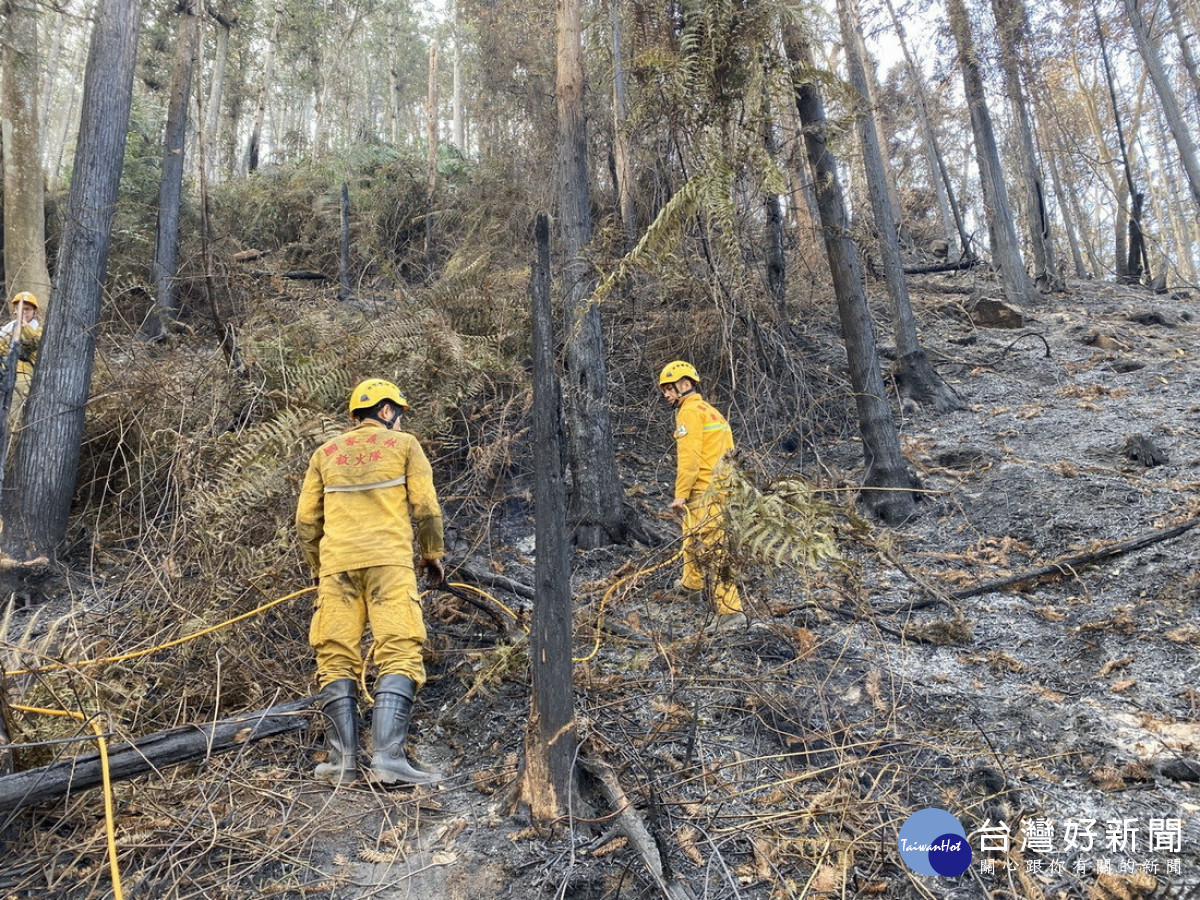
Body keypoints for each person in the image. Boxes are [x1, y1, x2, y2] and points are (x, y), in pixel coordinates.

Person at [296, 378, 447, 786]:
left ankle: (342, 763)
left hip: (337, 569)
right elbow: (427, 508)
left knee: (335, 655)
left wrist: (318, 569)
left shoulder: (324, 453)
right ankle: (388, 761)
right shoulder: (405, 446)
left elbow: (306, 521)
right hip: (389, 564)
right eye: (398, 413)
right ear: (386, 411)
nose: (400, 422)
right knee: (398, 649)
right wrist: (432, 553)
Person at [658, 360, 747, 632]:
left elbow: (690, 458)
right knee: (691, 536)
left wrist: (680, 494)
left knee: (715, 549)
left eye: (669, 388)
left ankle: (731, 612)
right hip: (720, 488)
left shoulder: (688, 413)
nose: (666, 395)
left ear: (685, 385)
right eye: (664, 390)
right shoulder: (713, 412)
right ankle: (690, 586)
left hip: (704, 492)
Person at [0, 292, 42, 433]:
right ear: (15, 310)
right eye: (20, 308)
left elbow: (34, 342)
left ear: (34, 311)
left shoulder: (39, 330)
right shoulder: (6, 330)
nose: (24, 312)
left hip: (23, 374)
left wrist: (23, 326)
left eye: (28, 309)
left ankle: (13, 440)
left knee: (14, 416)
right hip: (3, 372)